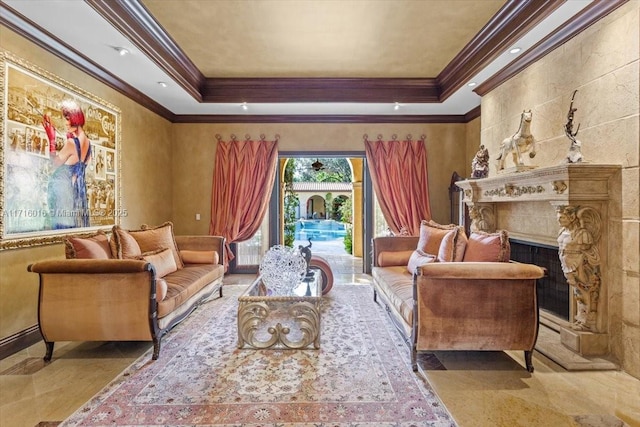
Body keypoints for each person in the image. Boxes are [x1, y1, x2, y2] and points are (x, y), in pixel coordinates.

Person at [43, 100, 92, 229]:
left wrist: (52, 140)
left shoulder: (71, 143)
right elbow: (78, 169)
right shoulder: (88, 145)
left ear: (76, 119)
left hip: (62, 197)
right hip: (73, 197)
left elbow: (54, 164)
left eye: (68, 118)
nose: (65, 122)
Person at [556, 205, 601, 331]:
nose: (559, 221)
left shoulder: (582, 234)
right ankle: (580, 318)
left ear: (571, 217)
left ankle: (586, 321)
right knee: (577, 290)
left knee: (583, 289)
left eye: (562, 218)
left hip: (578, 264)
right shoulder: (563, 231)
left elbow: (586, 249)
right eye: (558, 218)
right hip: (566, 264)